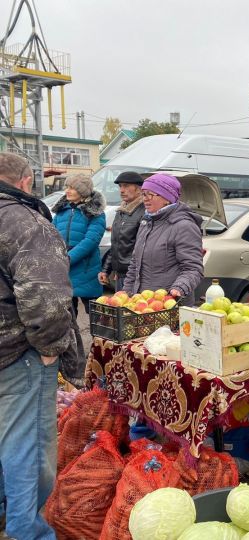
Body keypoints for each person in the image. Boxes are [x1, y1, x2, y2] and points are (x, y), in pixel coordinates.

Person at [0, 152, 75, 539]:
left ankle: (6, 513)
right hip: (18, 353)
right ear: (27, 181)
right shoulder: (25, 222)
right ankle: (27, 530)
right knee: (27, 448)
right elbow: (45, 296)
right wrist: (50, 347)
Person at [123, 173, 204, 305]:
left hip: (170, 305)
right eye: (143, 194)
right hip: (143, 304)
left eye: (150, 194)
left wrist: (179, 288)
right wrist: (126, 294)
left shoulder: (184, 226)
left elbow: (193, 269)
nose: (145, 199)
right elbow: (134, 265)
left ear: (167, 198)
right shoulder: (146, 222)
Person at [52, 173, 107, 315]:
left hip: (86, 269)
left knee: (98, 319)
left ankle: (100, 339)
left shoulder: (96, 213)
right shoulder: (61, 211)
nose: (67, 191)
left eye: (72, 188)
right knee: (67, 319)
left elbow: (91, 241)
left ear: (83, 191)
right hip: (64, 270)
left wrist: (68, 258)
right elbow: (51, 236)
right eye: (67, 187)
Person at [98, 171, 145, 291]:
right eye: (120, 186)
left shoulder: (144, 211)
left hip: (135, 276)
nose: (121, 190)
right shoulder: (121, 211)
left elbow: (141, 248)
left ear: (139, 189)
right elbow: (116, 244)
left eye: (126, 186)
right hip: (119, 275)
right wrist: (106, 270)